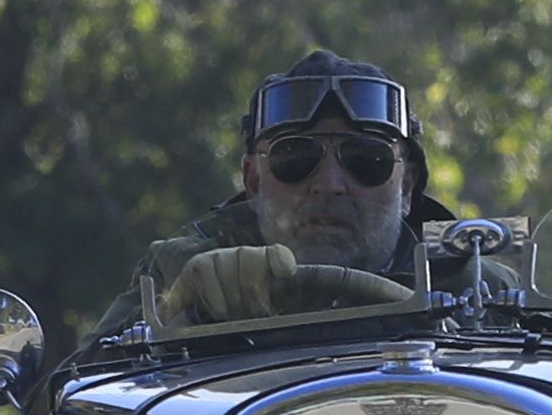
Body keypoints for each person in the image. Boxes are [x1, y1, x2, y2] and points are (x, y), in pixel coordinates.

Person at [137, 46, 461, 331]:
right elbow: (93, 382)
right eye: (296, 158)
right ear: (253, 181)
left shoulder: (470, 283)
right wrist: (173, 318)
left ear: (406, 188)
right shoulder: (176, 269)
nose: (328, 186)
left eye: (366, 160)